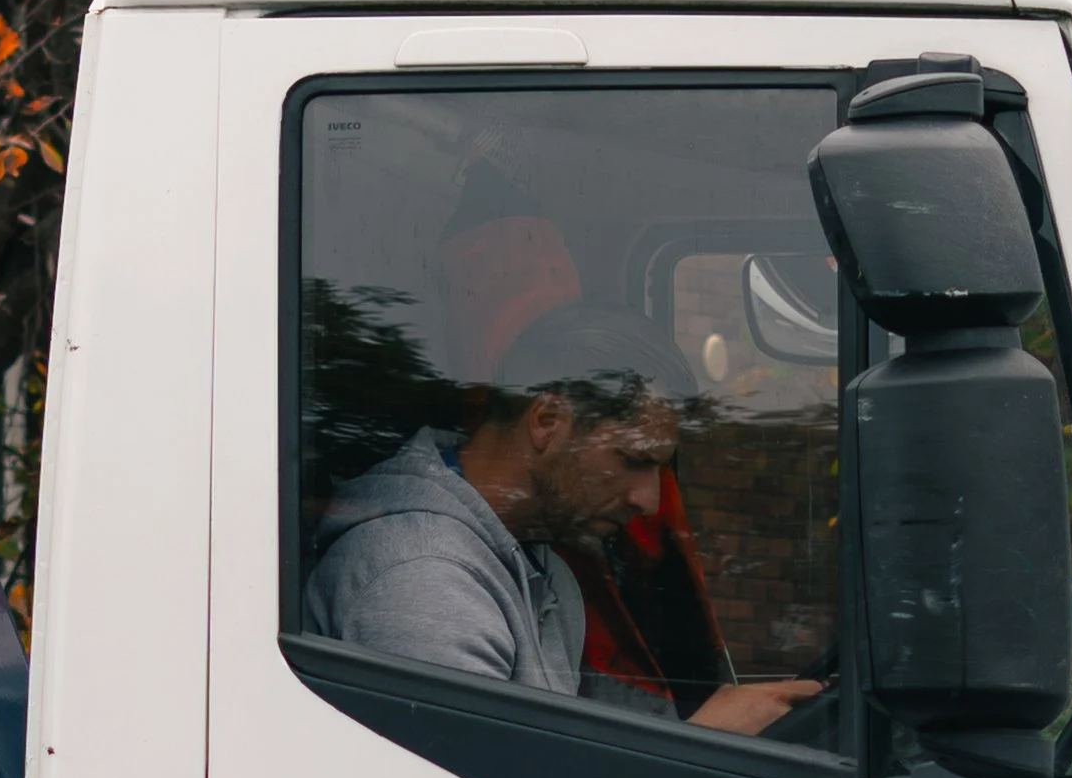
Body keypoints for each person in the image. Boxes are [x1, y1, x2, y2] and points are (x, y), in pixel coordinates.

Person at [303, 303, 823, 736]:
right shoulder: (422, 577)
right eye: (633, 460)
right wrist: (702, 740)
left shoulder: (536, 556)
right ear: (548, 422)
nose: (648, 500)